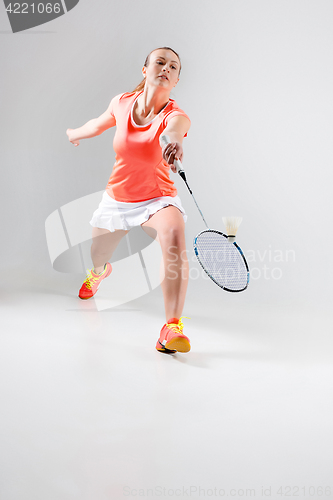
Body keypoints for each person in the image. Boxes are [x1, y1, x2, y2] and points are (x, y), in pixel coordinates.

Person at [66, 47, 191, 354]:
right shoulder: (122, 103)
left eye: (173, 67)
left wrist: (171, 144)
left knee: (174, 235)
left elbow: (172, 133)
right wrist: (74, 132)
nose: (166, 68)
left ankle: (171, 327)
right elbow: (97, 124)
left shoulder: (176, 116)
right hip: (118, 199)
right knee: (98, 255)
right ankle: (99, 273)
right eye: (160, 62)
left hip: (157, 199)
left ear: (176, 80)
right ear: (145, 69)